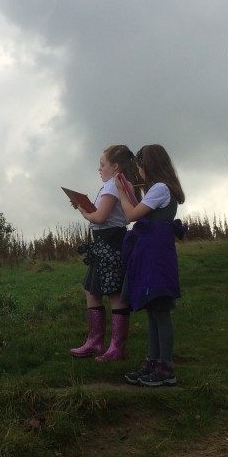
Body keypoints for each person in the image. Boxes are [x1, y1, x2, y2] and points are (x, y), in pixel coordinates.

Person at [113, 144, 186, 387]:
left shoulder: (160, 188)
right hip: (154, 253)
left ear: (148, 165)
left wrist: (122, 192)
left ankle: (165, 368)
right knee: (153, 311)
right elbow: (141, 211)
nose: (139, 172)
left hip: (156, 256)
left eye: (139, 167)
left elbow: (132, 215)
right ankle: (153, 362)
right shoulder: (161, 188)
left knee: (160, 312)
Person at [69, 144, 143, 362]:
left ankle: (115, 347)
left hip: (110, 243)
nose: (99, 169)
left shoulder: (112, 187)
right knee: (92, 291)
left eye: (102, 165)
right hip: (107, 242)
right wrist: (84, 207)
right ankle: (96, 342)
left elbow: (100, 218)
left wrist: (82, 210)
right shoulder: (118, 184)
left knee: (115, 295)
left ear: (115, 166)